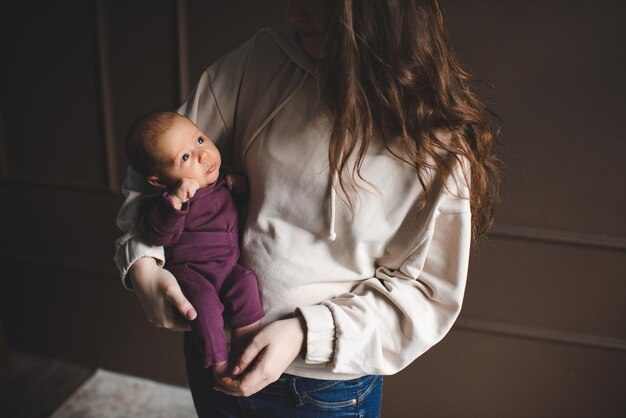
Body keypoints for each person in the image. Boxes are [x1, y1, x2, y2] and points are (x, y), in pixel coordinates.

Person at [114, 0, 501, 416]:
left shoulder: (437, 149)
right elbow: (156, 167)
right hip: (212, 352)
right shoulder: (260, 62)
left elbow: (425, 296)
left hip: (322, 392)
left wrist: (305, 334)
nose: (294, 16)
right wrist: (144, 267)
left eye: (315, 5)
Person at [125, 112, 264, 379]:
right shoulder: (161, 201)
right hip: (191, 272)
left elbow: (238, 202)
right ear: (159, 180)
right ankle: (219, 363)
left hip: (227, 266)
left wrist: (238, 184)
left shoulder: (220, 180)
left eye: (200, 140)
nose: (202, 155)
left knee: (246, 283)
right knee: (204, 307)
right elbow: (157, 236)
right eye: (185, 157)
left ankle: (246, 344)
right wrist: (175, 203)